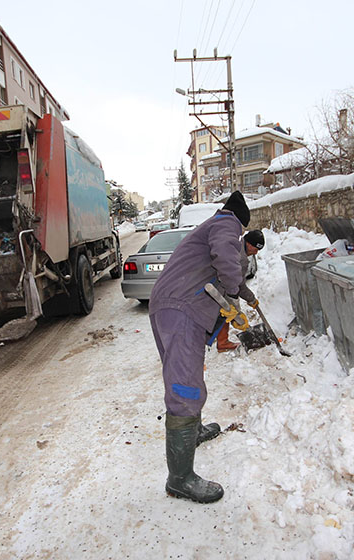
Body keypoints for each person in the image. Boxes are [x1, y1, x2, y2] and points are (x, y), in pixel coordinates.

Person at [148, 191, 251, 504]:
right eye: (243, 232)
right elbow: (225, 254)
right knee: (185, 388)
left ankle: (192, 432)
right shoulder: (226, 222)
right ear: (240, 220)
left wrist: (242, 293)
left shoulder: (210, 226)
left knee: (187, 377)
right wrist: (233, 291)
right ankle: (180, 479)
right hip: (181, 311)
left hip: (170, 307)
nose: (240, 235)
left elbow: (224, 267)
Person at [216, 229, 265, 352]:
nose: (256, 252)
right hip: (217, 284)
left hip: (217, 283)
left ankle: (222, 342)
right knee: (227, 310)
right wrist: (238, 310)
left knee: (225, 310)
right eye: (256, 248)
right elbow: (238, 285)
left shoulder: (237, 245)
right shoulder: (241, 259)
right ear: (248, 243)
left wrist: (251, 298)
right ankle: (221, 342)